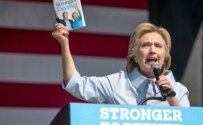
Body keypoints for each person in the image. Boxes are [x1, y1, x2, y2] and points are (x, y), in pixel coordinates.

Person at [52, 22, 190, 107]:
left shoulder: (179, 91)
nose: (152, 50)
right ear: (135, 56)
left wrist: (172, 99)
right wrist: (65, 45)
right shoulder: (117, 84)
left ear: (165, 57)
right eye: (146, 45)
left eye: (158, 46)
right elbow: (75, 84)